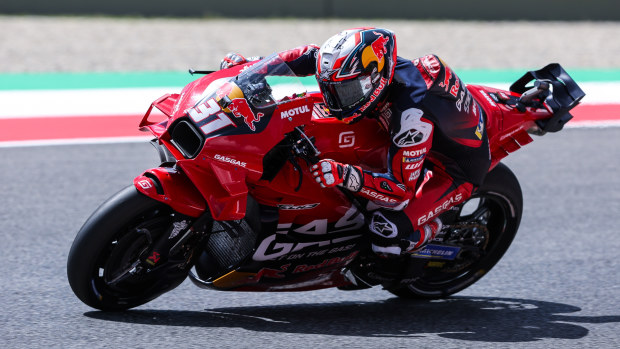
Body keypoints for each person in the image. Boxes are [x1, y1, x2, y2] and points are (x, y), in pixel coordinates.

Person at [221, 28, 491, 257]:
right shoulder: (365, 66)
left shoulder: (411, 118)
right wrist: (251, 68)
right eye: (330, 89)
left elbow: (399, 191)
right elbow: (307, 56)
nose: (334, 100)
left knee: (386, 231)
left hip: (454, 169)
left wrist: (345, 174)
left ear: (376, 76)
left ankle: (438, 227)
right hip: (431, 124)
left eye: (346, 90)